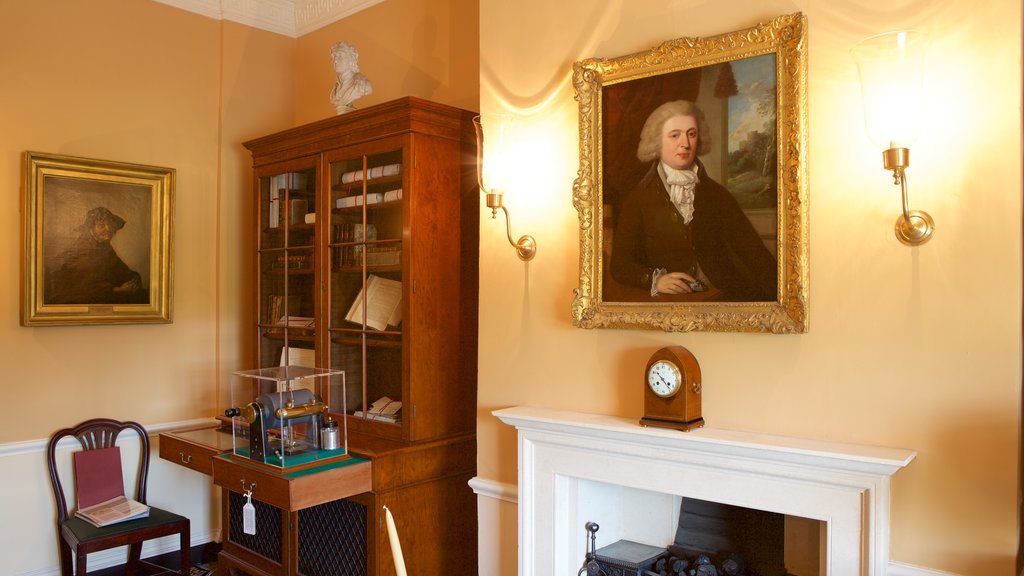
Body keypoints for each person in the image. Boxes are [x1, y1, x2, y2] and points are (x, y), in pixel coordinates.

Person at [609, 100, 777, 302]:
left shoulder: (717, 195)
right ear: (657, 141)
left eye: (691, 134)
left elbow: (754, 253)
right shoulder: (638, 199)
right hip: (667, 303)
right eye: (675, 135)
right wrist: (656, 280)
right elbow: (620, 265)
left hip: (723, 297)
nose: (685, 143)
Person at [47, 206, 148, 305]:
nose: (108, 229)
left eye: (110, 225)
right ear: (91, 228)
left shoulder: (104, 247)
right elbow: (83, 289)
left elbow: (120, 269)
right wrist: (117, 290)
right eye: (101, 225)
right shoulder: (83, 250)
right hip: (83, 301)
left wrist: (134, 278)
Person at [329, 41, 372, 114]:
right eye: (334, 56)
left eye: (340, 56)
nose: (335, 60)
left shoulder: (363, 84)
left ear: (351, 59)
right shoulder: (335, 89)